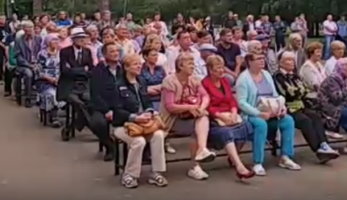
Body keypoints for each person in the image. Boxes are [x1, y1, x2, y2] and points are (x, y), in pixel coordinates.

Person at [107, 53, 168, 189]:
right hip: (124, 125)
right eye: (135, 64)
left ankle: (156, 172)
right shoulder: (117, 85)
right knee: (138, 141)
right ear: (126, 67)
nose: (139, 66)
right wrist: (135, 117)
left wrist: (149, 112)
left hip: (144, 124)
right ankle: (130, 175)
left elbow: (148, 103)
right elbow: (117, 110)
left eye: (139, 63)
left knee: (158, 135)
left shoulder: (141, 82)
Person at [236, 53, 301, 176]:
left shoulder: (266, 74)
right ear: (249, 62)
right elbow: (242, 103)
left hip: (271, 110)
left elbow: (275, 94)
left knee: (288, 120)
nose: (262, 61)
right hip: (252, 113)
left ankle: (285, 157)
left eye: (263, 58)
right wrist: (259, 113)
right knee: (261, 124)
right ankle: (258, 162)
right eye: (258, 58)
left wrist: (282, 108)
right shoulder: (243, 79)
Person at [274, 52, 340, 163]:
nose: (292, 62)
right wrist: (298, 91)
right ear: (280, 63)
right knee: (305, 121)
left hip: (301, 105)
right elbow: (286, 93)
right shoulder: (277, 76)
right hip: (287, 109)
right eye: (288, 60)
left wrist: (297, 91)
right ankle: (318, 149)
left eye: (292, 60)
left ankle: (324, 145)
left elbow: (304, 90)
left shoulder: (294, 75)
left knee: (315, 117)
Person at [160, 52, 216, 180]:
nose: (193, 66)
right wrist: (191, 107)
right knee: (196, 129)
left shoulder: (194, 79)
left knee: (203, 117)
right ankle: (195, 166)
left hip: (191, 116)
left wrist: (200, 108)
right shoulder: (169, 81)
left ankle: (201, 152)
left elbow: (205, 96)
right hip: (172, 119)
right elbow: (170, 107)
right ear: (180, 65)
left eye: (193, 63)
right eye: (190, 63)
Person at [201, 55, 255, 180]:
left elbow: (231, 99)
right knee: (226, 133)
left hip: (230, 114)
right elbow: (207, 105)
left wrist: (234, 111)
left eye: (222, 67)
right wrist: (220, 115)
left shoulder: (225, 81)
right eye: (218, 68)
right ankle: (239, 167)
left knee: (247, 126)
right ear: (210, 69)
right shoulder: (204, 83)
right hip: (215, 119)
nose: (221, 70)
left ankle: (233, 157)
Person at [89, 43, 123, 162]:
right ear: (104, 54)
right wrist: (107, 110)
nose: (115, 54)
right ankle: (109, 146)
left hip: (121, 106)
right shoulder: (98, 70)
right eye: (112, 51)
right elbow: (95, 93)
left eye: (117, 51)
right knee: (96, 123)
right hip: (103, 106)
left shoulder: (123, 68)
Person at [57, 27, 96, 134]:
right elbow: (64, 70)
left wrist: (74, 70)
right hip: (68, 86)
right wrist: (83, 69)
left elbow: (91, 71)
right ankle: (92, 126)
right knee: (78, 103)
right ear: (73, 40)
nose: (82, 40)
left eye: (83, 38)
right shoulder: (65, 52)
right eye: (79, 38)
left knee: (91, 101)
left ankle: (73, 126)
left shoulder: (87, 52)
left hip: (84, 85)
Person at [36, 34, 63, 127]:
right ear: (48, 42)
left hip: (60, 79)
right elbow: (38, 70)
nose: (56, 42)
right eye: (53, 40)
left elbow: (63, 68)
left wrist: (59, 78)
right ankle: (54, 117)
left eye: (57, 40)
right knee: (51, 94)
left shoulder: (61, 53)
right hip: (45, 80)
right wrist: (50, 79)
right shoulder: (42, 54)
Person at [14, 21, 42, 107]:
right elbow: (18, 56)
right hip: (24, 65)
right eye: (27, 28)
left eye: (31, 28)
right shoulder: (19, 40)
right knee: (29, 74)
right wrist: (29, 65)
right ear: (24, 30)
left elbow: (42, 52)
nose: (30, 30)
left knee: (42, 72)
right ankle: (28, 98)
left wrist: (37, 63)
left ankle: (41, 98)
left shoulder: (39, 39)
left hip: (37, 63)